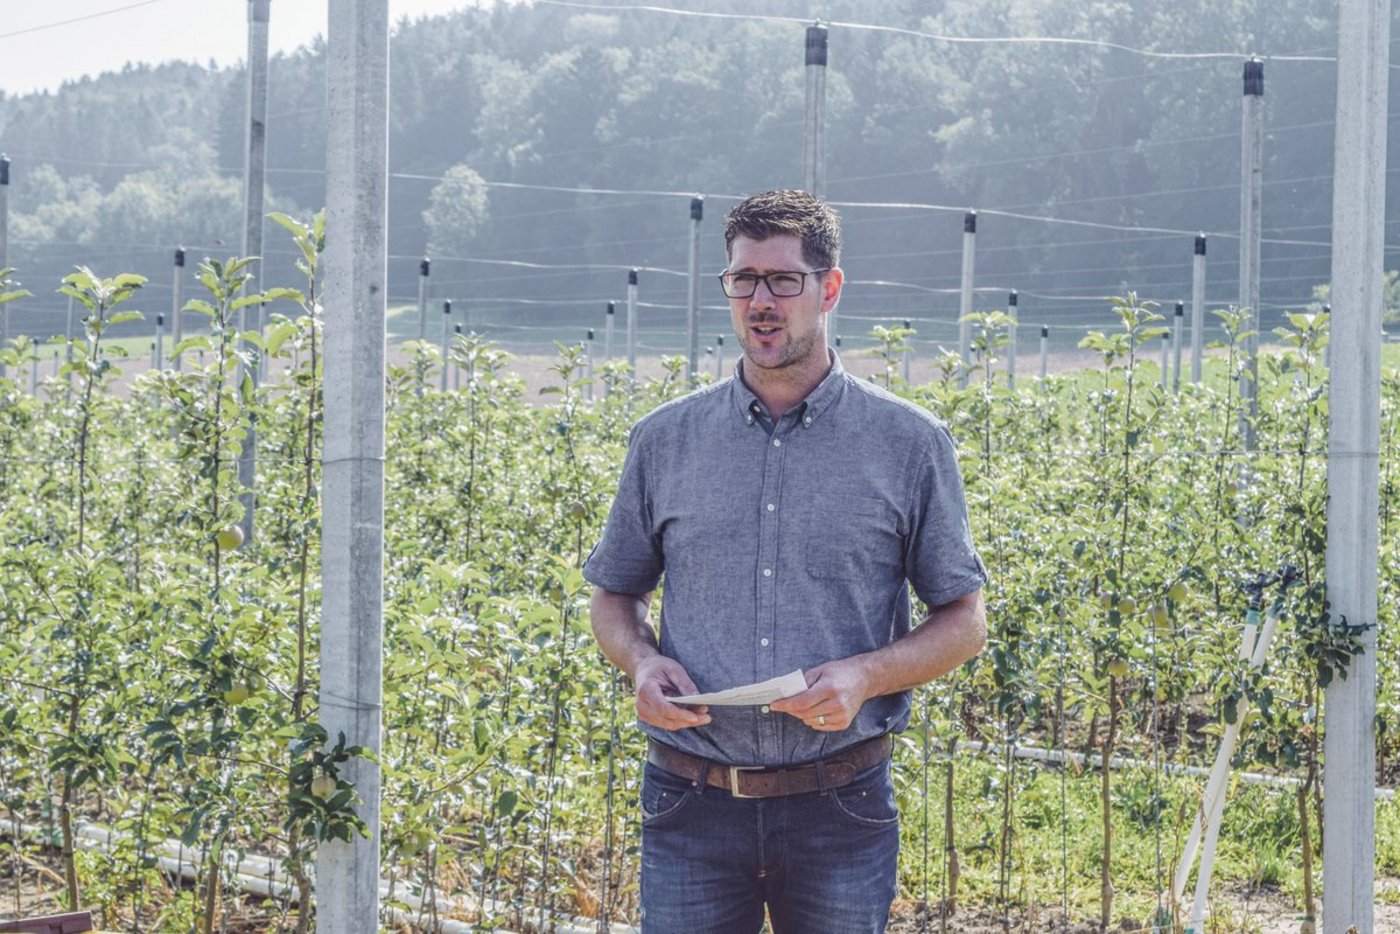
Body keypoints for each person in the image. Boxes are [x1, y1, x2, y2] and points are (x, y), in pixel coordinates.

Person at [584, 189, 987, 933]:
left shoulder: (907, 443)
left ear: (829, 289)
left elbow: (964, 622)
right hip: (689, 803)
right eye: (743, 279)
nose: (761, 302)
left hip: (839, 807)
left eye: (782, 280)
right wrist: (640, 664)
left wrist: (864, 676)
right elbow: (614, 597)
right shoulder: (665, 440)